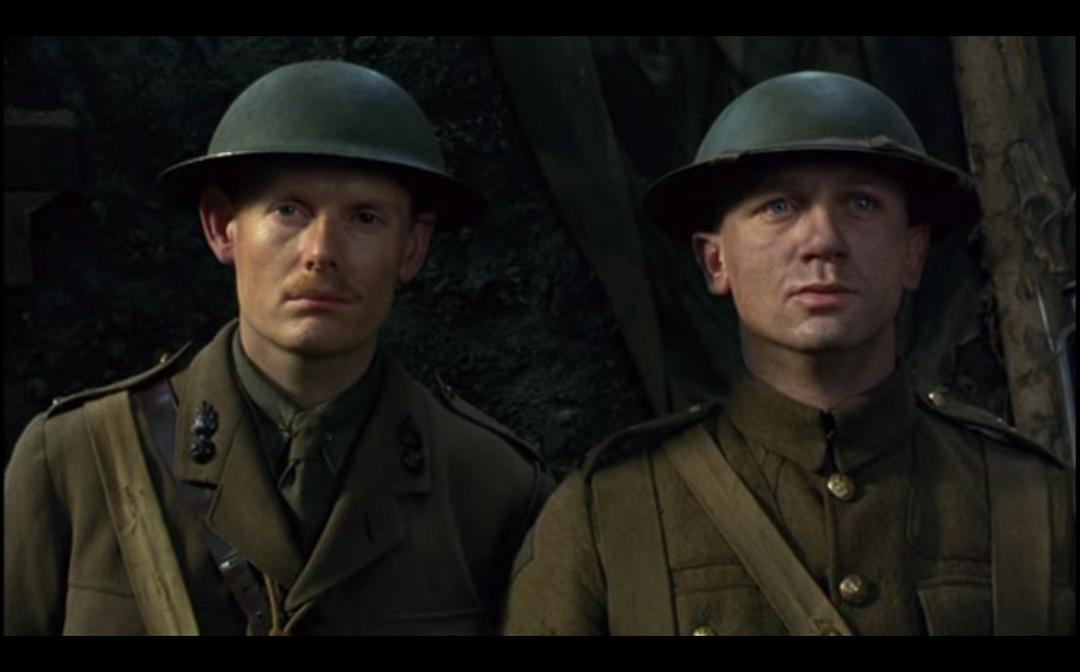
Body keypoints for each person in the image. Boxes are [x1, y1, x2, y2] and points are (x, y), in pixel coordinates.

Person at [502, 71, 1074, 636]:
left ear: (912, 254)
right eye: (779, 207)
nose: (822, 240)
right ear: (715, 262)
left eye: (861, 203)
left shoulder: (1032, 503)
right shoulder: (610, 514)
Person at [5, 60, 552, 636]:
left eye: (365, 217)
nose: (321, 253)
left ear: (412, 247)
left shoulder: (493, 489)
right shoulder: (76, 463)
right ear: (222, 227)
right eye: (289, 210)